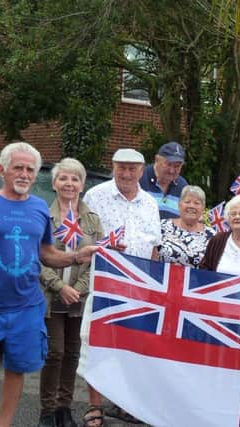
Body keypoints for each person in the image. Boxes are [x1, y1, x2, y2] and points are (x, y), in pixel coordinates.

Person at [0, 143, 97, 427]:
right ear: (2, 170)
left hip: (26, 306)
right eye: (18, 167)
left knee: (17, 370)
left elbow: (46, 253)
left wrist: (77, 256)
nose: (25, 174)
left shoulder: (39, 208)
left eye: (30, 169)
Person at [82, 148, 161, 425]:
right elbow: (82, 240)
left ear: (142, 171)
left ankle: (123, 402)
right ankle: (94, 405)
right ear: (113, 167)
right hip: (105, 284)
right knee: (97, 343)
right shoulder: (95, 196)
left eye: (132, 169)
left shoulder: (150, 203)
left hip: (138, 288)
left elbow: (154, 248)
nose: (126, 174)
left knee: (129, 346)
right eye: (121, 168)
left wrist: (151, 286)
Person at [37, 158, 104, 427]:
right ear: (54, 184)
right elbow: (39, 257)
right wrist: (59, 286)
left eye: (75, 179)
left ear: (82, 185)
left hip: (80, 299)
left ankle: (64, 408)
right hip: (51, 296)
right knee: (54, 352)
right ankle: (47, 410)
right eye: (63, 178)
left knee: (73, 353)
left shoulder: (91, 219)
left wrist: (76, 289)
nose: (69, 183)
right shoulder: (43, 215)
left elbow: (98, 259)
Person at [155, 185, 214, 268]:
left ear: (203, 208)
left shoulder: (212, 235)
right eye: (187, 202)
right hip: (163, 279)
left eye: (196, 203)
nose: (191, 206)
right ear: (179, 205)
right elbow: (152, 255)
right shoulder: (163, 226)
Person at [139, 141, 188, 219]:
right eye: (168, 164)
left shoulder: (182, 186)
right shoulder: (139, 179)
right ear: (157, 160)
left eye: (177, 166)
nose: (171, 170)